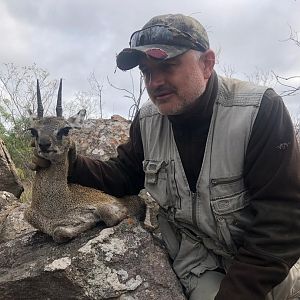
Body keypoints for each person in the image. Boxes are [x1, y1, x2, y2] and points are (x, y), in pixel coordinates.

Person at [35, 14, 300, 299]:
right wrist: (68, 162)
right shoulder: (148, 119)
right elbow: (123, 175)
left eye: (168, 66)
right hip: (194, 260)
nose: (154, 82)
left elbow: (283, 219)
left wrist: (237, 292)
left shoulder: (259, 112)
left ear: (207, 63)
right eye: (146, 72)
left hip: (254, 263)